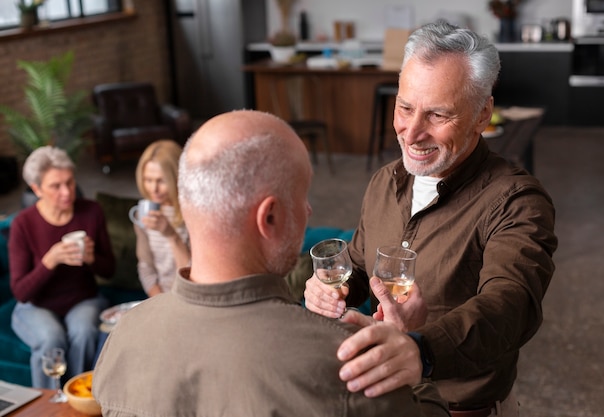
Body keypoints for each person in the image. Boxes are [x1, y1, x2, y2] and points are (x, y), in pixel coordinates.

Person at [93, 110, 449, 416]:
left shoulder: (124, 338)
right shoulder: (345, 360)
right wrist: (402, 345)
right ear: (271, 217)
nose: (309, 211)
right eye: (302, 196)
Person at [304, 21, 558, 417]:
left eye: (438, 115)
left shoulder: (517, 201)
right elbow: (356, 262)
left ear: (482, 115)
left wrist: (420, 352)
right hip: (383, 403)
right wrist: (332, 290)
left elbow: (511, 305)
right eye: (405, 108)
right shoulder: (384, 181)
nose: (412, 132)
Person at [9, 146, 115, 388]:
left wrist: (91, 258)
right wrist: (50, 261)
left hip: (83, 299)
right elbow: (21, 292)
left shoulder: (91, 211)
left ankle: (77, 399)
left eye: (70, 182)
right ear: (36, 189)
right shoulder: (23, 225)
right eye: (56, 186)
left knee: (85, 332)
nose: (67, 192)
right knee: (51, 338)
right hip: (35, 305)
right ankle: (50, 410)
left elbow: (109, 270)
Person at [133, 139, 190, 296]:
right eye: (148, 180)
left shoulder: (192, 214)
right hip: (161, 298)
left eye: (161, 181)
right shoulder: (142, 216)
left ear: (176, 177)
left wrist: (171, 235)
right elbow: (146, 267)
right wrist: (159, 302)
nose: (153, 189)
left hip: (189, 296)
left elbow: (191, 274)